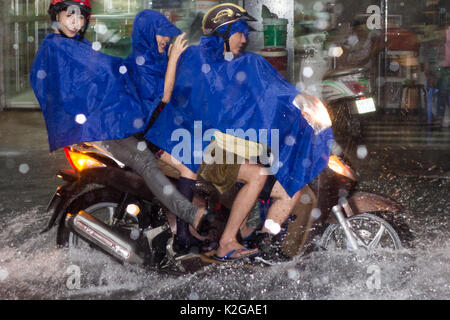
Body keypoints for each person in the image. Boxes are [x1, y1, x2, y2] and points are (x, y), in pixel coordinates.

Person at [144, 3, 334, 262]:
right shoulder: (199, 59)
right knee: (257, 175)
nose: (245, 39)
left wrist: (296, 106)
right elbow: (205, 108)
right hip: (184, 144)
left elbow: (261, 98)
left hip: (209, 144)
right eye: (240, 32)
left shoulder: (228, 64)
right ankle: (227, 243)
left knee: (290, 188)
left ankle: (265, 243)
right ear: (223, 32)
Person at [30, 0, 210, 239]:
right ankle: (189, 215)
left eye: (81, 18)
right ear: (56, 15)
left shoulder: (73, 44)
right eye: (69, 16)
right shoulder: (56, 48)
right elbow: (97, 75)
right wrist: (117, 76)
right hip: (96, 127)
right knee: (144, 160)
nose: (75, 23)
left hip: (105, 120)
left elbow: (102, 72)